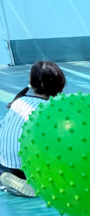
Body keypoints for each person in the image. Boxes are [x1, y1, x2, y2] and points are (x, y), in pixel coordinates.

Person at [0, 60, 66, 198]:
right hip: (26, 170)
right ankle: (34, 183)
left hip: (4, 165)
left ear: (31, 83)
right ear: (60, 84)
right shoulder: (52, 110)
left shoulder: (18, 101)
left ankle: (7, 178)